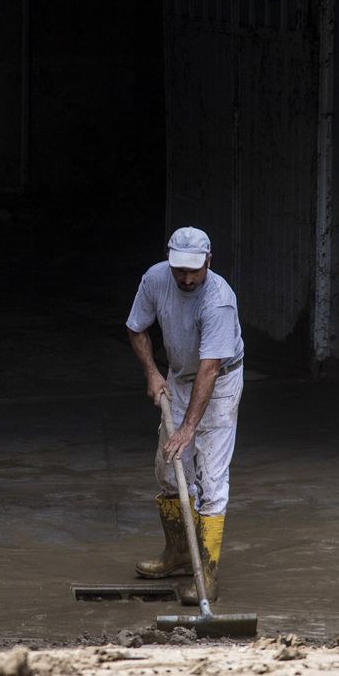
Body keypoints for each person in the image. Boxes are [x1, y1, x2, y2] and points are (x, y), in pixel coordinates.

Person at [124, 226, 244, 605]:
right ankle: (177, 553)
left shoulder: (218, 300)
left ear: (209, 261)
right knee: (168, 469)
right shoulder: (156, 279)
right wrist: (152, 372)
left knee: (210, 476)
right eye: (180, 270)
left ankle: (206, 575)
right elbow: (136, 328)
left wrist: (189, 427)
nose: (187, 278)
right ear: (169, 261)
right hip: (177, 376)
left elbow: (209, 369)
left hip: (220, 381)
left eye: (195, 270)